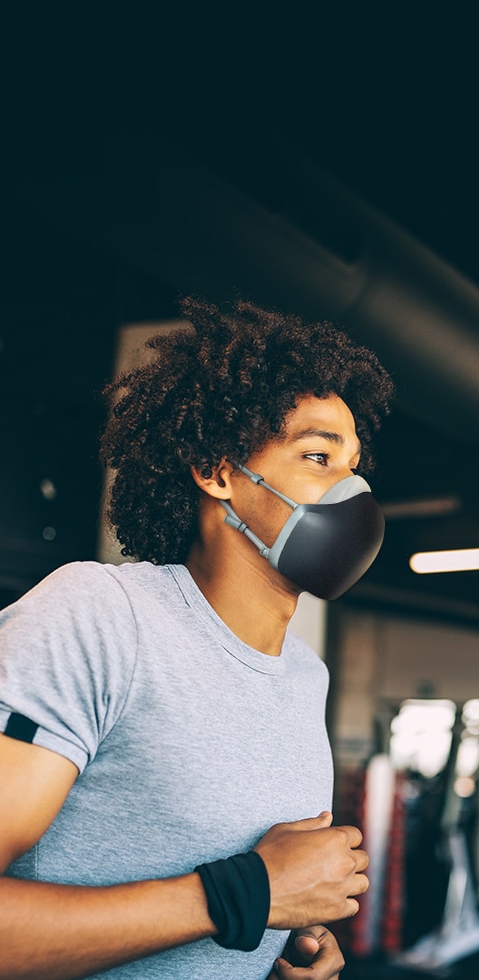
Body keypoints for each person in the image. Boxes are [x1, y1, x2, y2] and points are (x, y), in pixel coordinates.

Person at [0, 294, 395, 980]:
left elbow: (246, 909)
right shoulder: (98, 618)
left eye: (354, 463)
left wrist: (275, 949)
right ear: (218, 474)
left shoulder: (305, 675)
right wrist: (245, 898)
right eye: (317, 457)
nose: (353, 489)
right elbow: (248, 891)